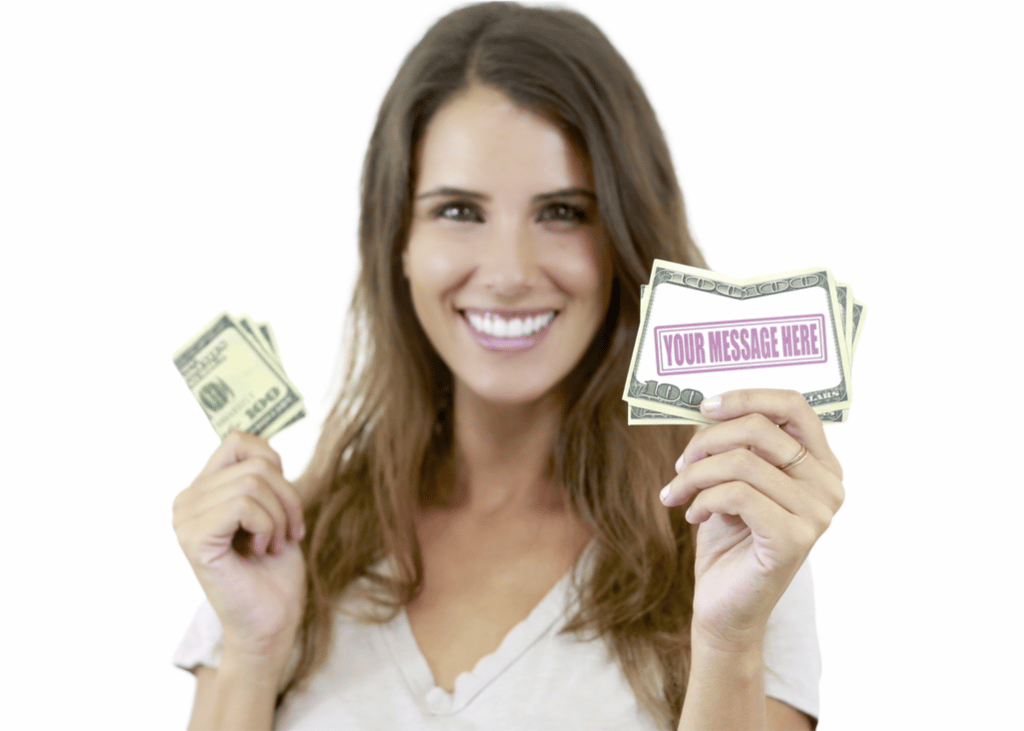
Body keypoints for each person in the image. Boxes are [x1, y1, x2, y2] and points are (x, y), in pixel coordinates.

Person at [172, 3, 844, 729]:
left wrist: (728, 638)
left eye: (562, 212)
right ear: (397, 238)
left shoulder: (730, 538)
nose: (509, 271)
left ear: (622, 239)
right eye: (459, 211)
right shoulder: (290, 540)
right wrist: (249, 649)